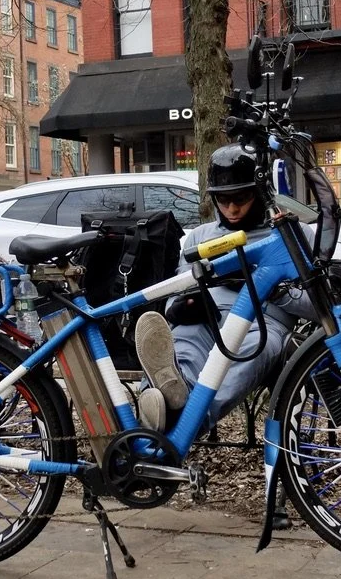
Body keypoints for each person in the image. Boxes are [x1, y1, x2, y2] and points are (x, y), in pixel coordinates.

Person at [135, 144, 315, 431]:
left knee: (250, 350)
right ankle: (169, 393)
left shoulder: (292, 234)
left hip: (262, 323)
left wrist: (265, 284)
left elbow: (317, 306)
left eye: (241, 198)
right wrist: (184, 306)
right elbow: (176, 293)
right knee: (183, 342)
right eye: (222, 199)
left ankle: (183, 420)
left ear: (260, 192)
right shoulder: (200, 236)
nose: (231, 208)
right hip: (208, 317)